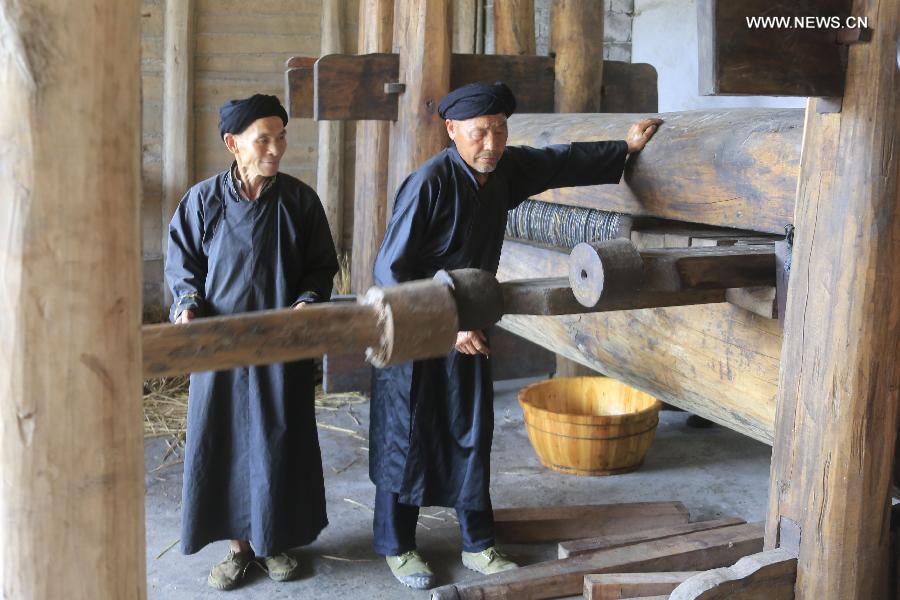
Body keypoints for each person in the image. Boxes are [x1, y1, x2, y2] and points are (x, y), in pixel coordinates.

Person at [369, 81, 660, 590]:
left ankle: (478, 543)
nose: (491, 143)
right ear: (452, 130)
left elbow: (557, 162)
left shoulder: (502, 170)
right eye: (479, 132)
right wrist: (447, 319)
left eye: (499, 131)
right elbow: (390, 270)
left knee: (470, 433)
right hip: (417, 332)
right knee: (408, 437)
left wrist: (625, 148)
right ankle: (398, 546)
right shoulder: (429, 183)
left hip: (470, 329)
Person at [165, 94, 339, 591]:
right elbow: (183, 267)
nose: (276, 149)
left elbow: (319, 267)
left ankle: (273, 541)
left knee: (277, 439)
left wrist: (308, 301)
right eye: (263, 139)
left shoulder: (300, 202)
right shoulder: (202, 201)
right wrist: (188, 306)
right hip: (219, 347)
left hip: (279, 345)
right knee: (221, 441)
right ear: (232, 143)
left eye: (281, 137)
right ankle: (238, 550)